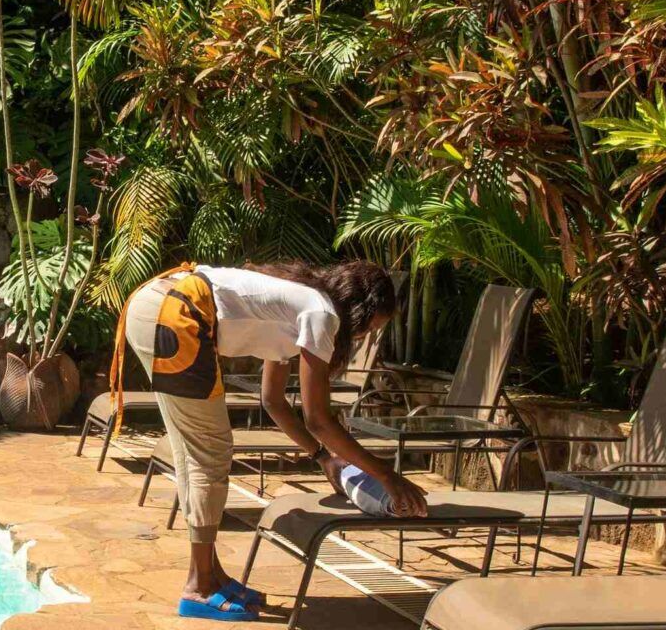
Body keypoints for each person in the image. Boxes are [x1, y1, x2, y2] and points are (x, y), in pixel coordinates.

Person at [109, 259, 428, 622]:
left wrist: (323, 457)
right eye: (370, 327)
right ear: (360, 310)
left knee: (194, 453)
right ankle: (199, 587)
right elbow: (318, 419)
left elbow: (273, 401)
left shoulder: (300, 305)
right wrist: (386, 474)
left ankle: (210, 575)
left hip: (160, 305)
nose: (363, 337)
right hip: (177, 313)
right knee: (210, 454)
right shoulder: (321, 313)